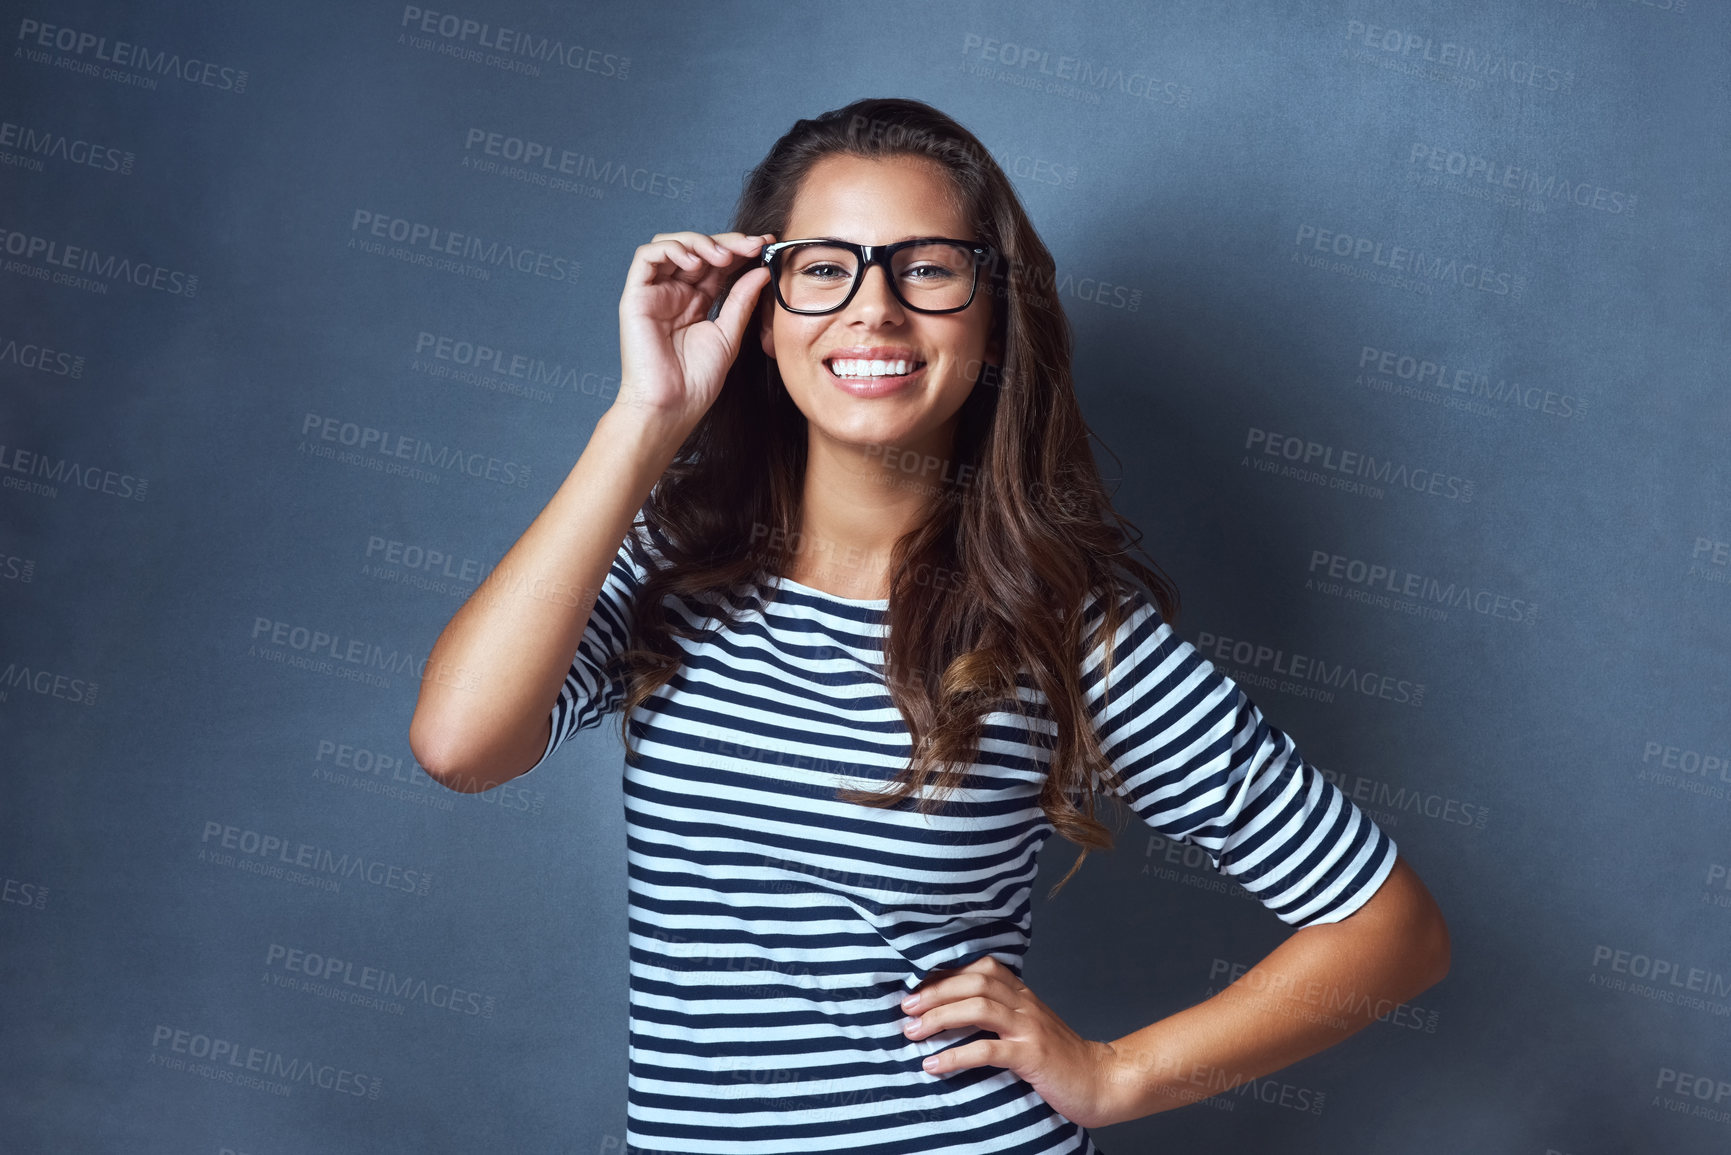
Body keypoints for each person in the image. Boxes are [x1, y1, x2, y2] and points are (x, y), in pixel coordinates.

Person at [409, 97, 1450, 1154]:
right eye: (824, 267)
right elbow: (461, 748)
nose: (875, 310)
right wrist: (643, 421)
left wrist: (1117, 1076)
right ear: (762, 313)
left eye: (929, 268)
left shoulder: (1065, 627)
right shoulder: (665, 563)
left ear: (992, 318)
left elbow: (1390, 930)